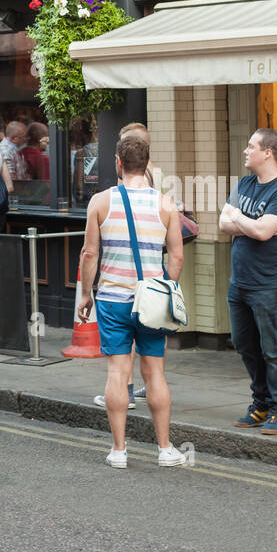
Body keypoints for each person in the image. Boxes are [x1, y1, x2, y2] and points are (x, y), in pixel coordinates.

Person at [78, 131, 187, 468]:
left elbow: (89, 253)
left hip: (112, 299)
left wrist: (85, 293)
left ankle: (119, 451)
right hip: (152, 302)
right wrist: (166, 288)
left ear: (119, 163)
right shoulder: (166, 204)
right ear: (147, 164)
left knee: (117, 371)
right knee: (155, 373)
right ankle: (166, 449)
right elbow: (177, 257)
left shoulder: (100, 202)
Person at [219, 128, 277, 436]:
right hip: (239, 282)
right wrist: (249, 223)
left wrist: (240, 218)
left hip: (271, 284)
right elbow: (222, 223)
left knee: (273, 348)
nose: (245, 151)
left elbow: (261, 232)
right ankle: (260, 403)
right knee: (244, 344)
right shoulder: (245, 183)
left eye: (251, 146)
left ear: (268, 152)